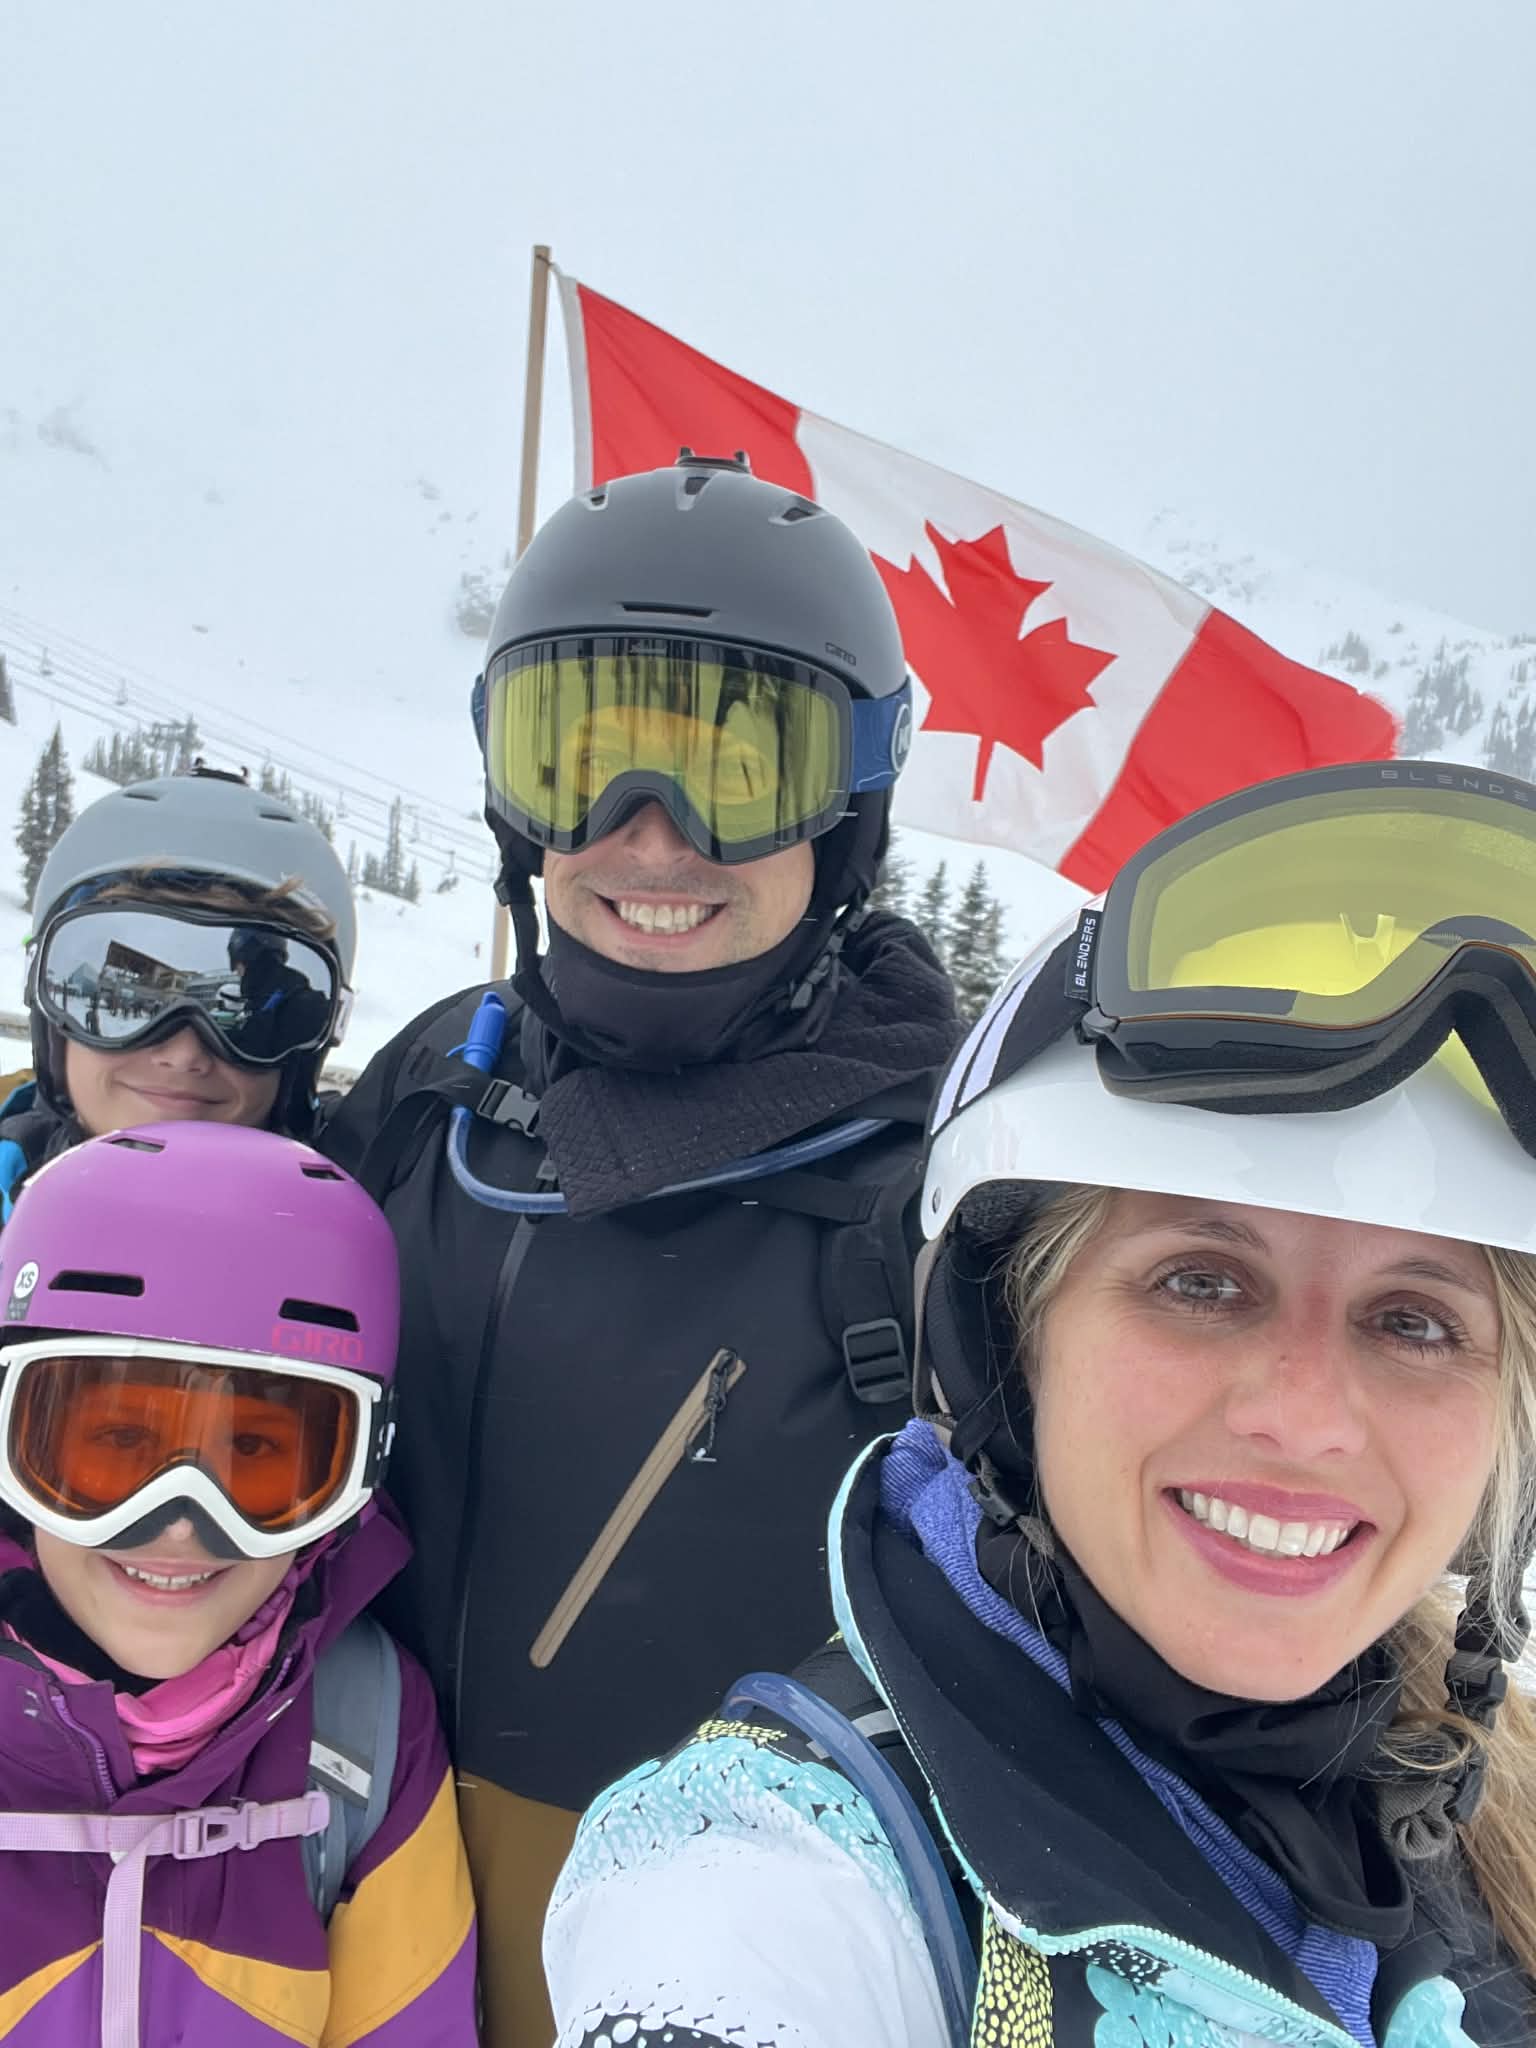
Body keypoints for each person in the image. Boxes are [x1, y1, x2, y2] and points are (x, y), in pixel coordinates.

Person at [545, 759, 1536, 2047]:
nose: (1309, 1419)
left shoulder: (1478, 1780)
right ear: (1009, 1337)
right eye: (1201, 1280)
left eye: (1415, 1319)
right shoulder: (778, 1870)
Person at [322, 450, 961, 2041]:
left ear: (852, 808)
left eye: (737, 772)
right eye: (580, 759)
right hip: (358, 1936)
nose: (647, 840)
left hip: (717, 1987)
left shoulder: (940, 1195)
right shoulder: (433, 1099)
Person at [0, 1118, 476, 2045]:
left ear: (357, 1472)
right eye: (113, 1444)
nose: (181, 1522)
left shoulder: (364, 1727)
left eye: (256, 1456)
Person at [1, 764, 356, 1220]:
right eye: (135, 1007)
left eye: (245, 1020)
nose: (184, 1054)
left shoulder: (371, 1221)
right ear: (51, 1020)